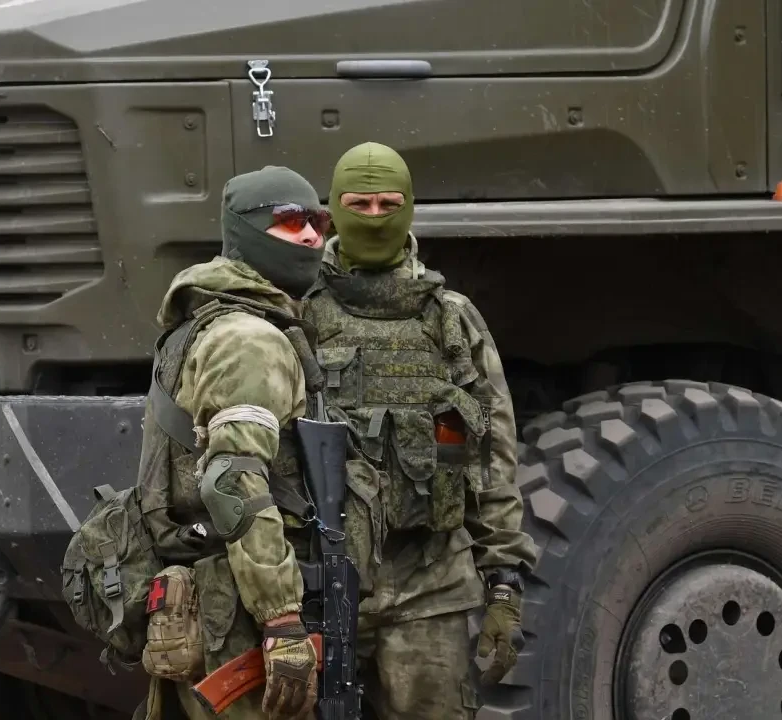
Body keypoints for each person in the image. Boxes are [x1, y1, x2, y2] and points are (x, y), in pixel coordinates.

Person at [302, 142, 540, 718]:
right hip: (319, 583)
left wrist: (503, 580)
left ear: (409, 208)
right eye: (360, 204)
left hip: (430, 588)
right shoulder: (297, 313)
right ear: (332, 212)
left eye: (389, 204)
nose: (375, 218)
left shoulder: (451, 319)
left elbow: (491, 456)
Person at [135, 165, 333, 719]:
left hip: (210, 594)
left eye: (318, 222)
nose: (312, 238)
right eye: (290, 222)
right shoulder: (248, 338)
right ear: (246, 231)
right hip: (240, 612)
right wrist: (282, 619)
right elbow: (233, 481)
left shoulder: (205, 320)